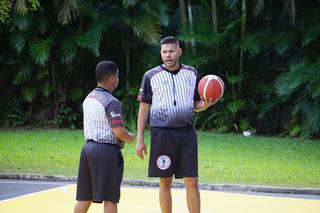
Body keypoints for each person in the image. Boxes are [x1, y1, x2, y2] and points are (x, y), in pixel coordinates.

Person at [136, 36, 214, 213]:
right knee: (165, 181)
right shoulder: (150, 76)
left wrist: (207, 104)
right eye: (164, 52)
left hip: (186, 134)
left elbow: (195, 105)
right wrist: (140, 139)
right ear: (161, 53)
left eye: (171, 51)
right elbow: (143, 109)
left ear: (179, 51)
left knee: (192, 180)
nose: (168, 55)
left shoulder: (192, 74)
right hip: (162, 134)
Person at [74, 61, 134, 213]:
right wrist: (131, 137)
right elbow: (119, 131)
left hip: (87, 149)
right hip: (106, 152)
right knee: (110, 198)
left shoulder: (89, 98)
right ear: (113, 78)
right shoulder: (112, 102)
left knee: (84, 197)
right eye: (117, 77)